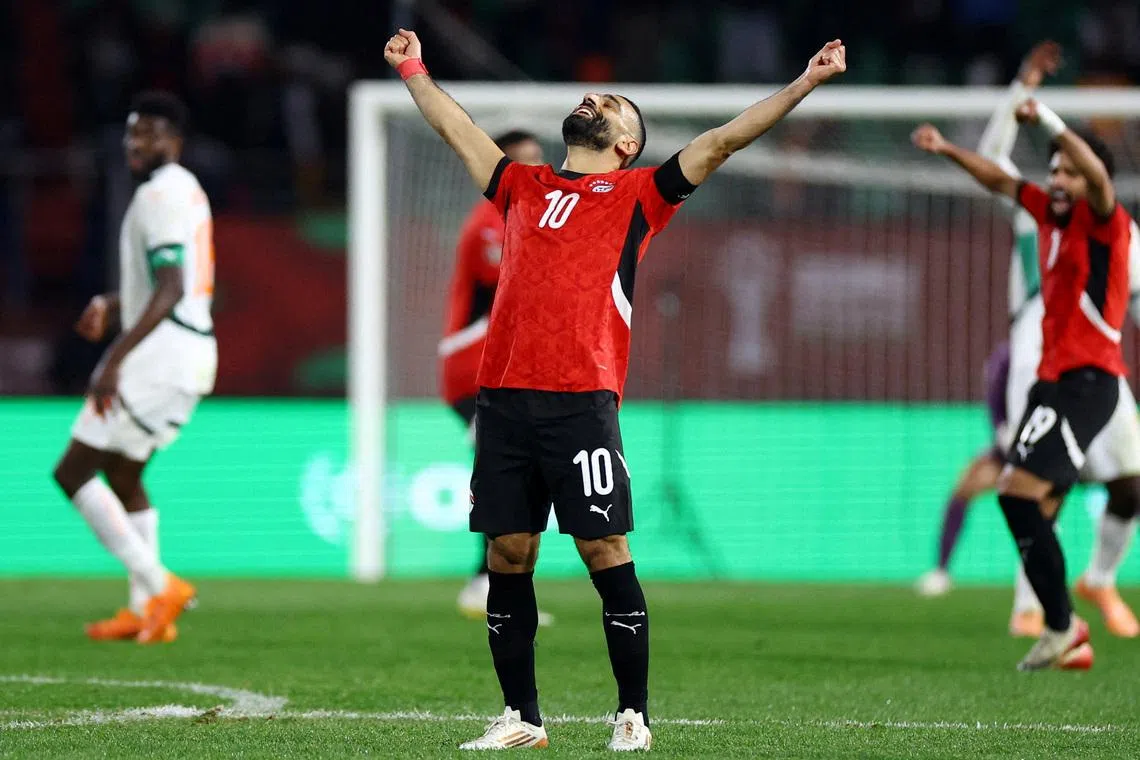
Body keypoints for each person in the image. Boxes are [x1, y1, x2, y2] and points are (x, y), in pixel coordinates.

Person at [386, 27, 845, 749]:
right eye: (595, 96)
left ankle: (633, 713)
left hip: (580, 402)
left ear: (627, 144)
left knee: (605, 550)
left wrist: (805, 84)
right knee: (508, 554)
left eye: (614, 105)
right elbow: (456, 127)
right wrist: (413, 68)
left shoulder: (639, 195)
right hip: (502, 399)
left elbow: (722, 142)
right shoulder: (518, 184)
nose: (595, 100)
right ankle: (522, 717)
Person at [915, 43, 1140, 641]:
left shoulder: (1113, 225)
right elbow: (995, 164)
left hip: (1098, 362)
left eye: (1067, 168)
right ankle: (1033, 607)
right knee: (1038, 483)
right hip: (1036, 350)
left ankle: (1097, 579)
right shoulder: (1038, 208)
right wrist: (1021, 93)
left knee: (1129, 481)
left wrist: (1048, 118)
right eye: (1055, 169)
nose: (1057, 177)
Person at [52, 91, 216, 645]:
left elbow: (170, 289)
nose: (134, 144)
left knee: (72, 471)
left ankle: (157, 582)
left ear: (173, 138)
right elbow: (172, 282)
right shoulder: (188, 190)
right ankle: (146, 610)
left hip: (163, 354)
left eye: (145, 133)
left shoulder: (159, 195)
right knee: (124, 475)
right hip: (190, 351)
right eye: (129, 134)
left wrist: (112, 359)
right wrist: (115, 302)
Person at [442, 129, 553, 628]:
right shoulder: (491, 224)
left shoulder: (528, 218)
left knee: (509, 469)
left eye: (539, 162)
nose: (534, 173)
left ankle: (485, 581)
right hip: (474, 365)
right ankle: (486, 582)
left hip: (505, 365)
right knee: (504, 469)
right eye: (521, 163)